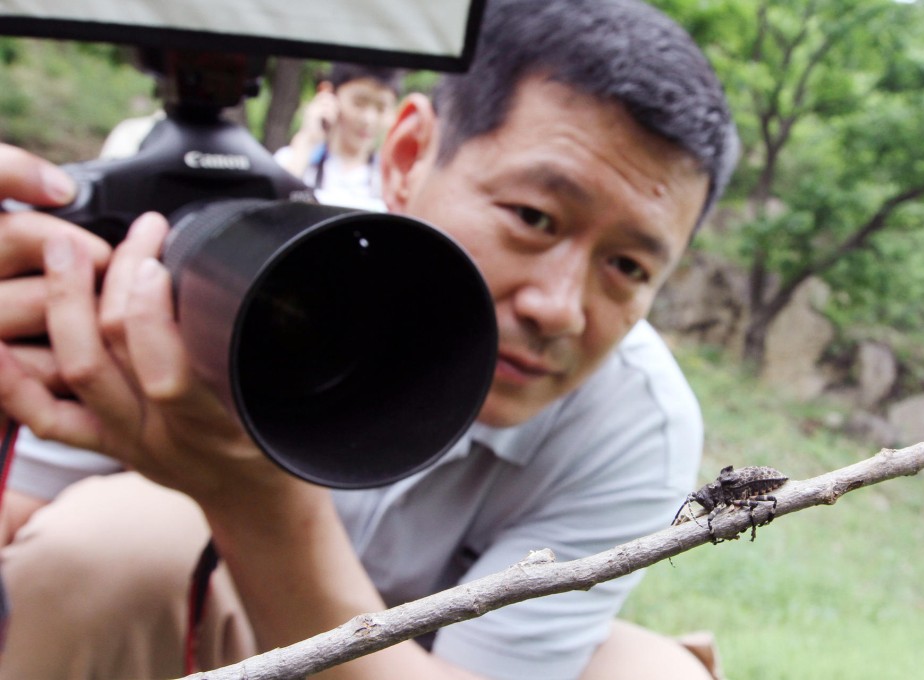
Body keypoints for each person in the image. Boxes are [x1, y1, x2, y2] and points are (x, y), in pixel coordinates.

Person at [0, 0, 739, 678]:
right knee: (116, 544)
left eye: (627, 266)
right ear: (409, 155)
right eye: (533, 217)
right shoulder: (222, 282)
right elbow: (22, 531)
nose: (560, 309)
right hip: (206, 616)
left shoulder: (633, 422)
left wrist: (258, 500)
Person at [273, 63, 402, 211]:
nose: (368, 119)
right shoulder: (291, 160)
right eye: (358, 103)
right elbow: (273, 214)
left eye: (381, 108)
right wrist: (306, 141)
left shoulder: (393, 180)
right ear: (329, 95)